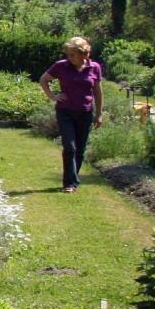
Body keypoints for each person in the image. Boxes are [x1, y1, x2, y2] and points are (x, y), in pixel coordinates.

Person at [39, 36, 104, 192]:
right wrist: (53, 96)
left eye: (73, 54)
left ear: (83, 53)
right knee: (70, 147)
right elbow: (43, 80)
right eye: (68, 54)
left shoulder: (94, 67)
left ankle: (73, 179)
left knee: (80, 150)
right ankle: (70, 183)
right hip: (65, 112)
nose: (70, 57)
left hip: (85, 112)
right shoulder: (61, 66)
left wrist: (99, 114)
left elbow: (98, 91)